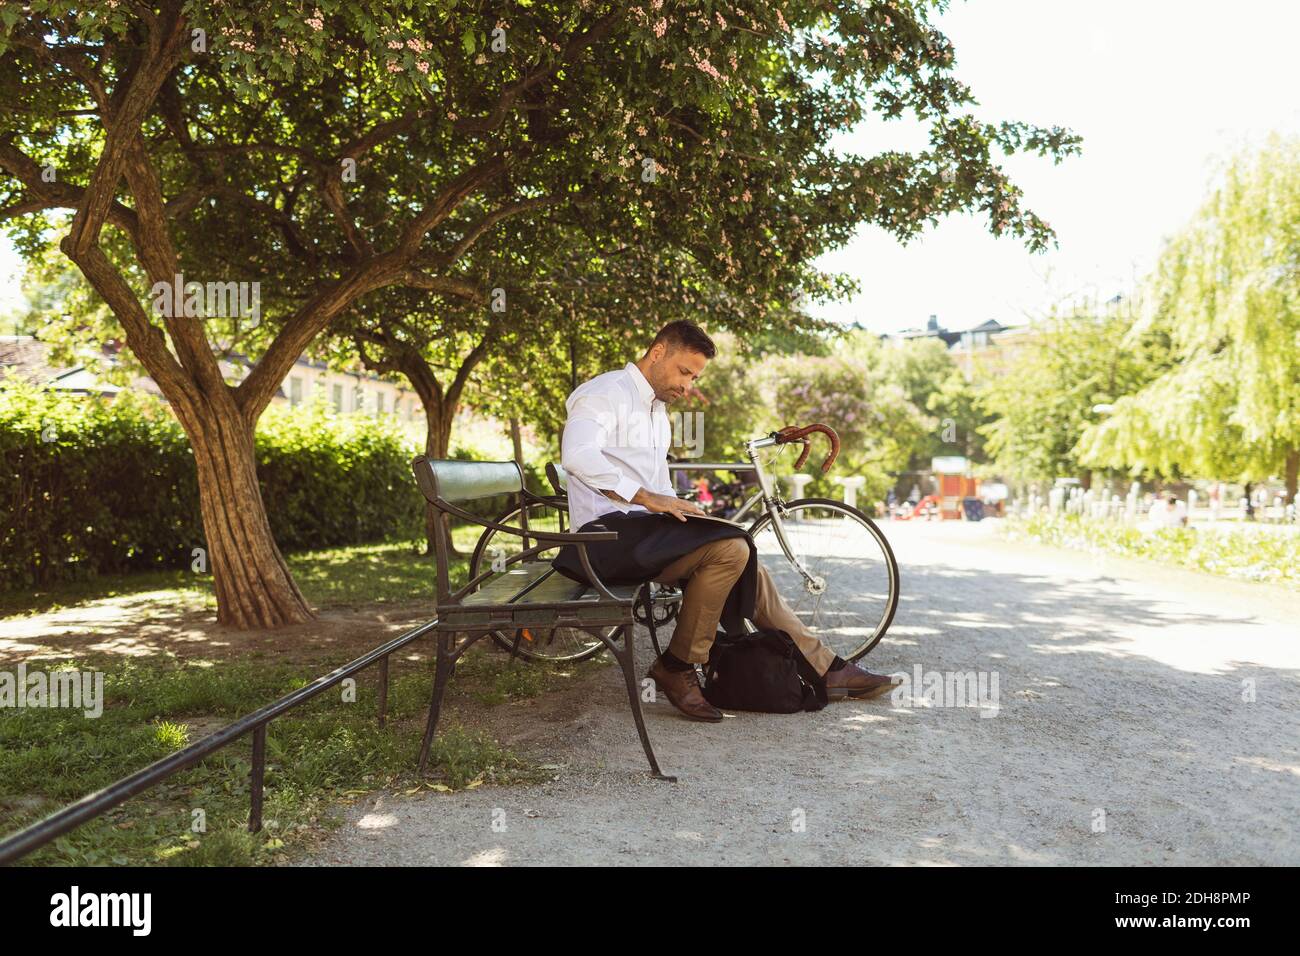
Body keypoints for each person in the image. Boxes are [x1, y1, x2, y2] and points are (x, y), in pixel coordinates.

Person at [556, 320, 898, 722]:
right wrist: (647, 497)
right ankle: (677, 667)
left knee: (743, 553)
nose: (687, 386)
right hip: (604, 538)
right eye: (685, 372)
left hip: (640, 532)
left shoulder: (656, 412)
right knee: (731, 549)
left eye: (695, 377)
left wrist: (680, 508)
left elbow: (657, 485)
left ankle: (825, 666)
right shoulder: (605, 393)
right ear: (658, 352)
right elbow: (577, 455)